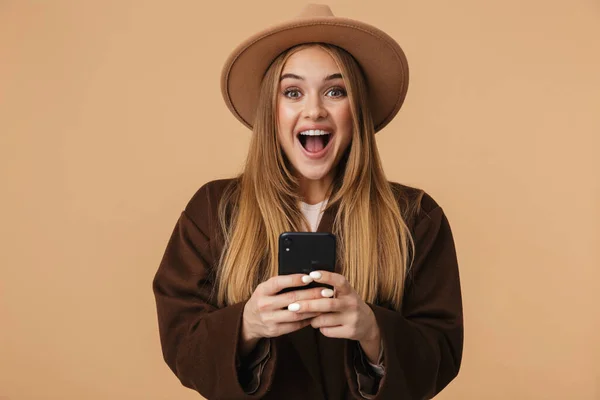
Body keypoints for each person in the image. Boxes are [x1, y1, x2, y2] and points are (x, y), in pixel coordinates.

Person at [152, 4, 463, 400]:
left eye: (335, 91)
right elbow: (181, 340)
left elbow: (443, 350)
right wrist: (246, 325)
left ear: (357, 110)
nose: (314, 109)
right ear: (272, 110)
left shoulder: (416, 216)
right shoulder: (214, 210)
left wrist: (372, 331)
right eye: (293, 92)